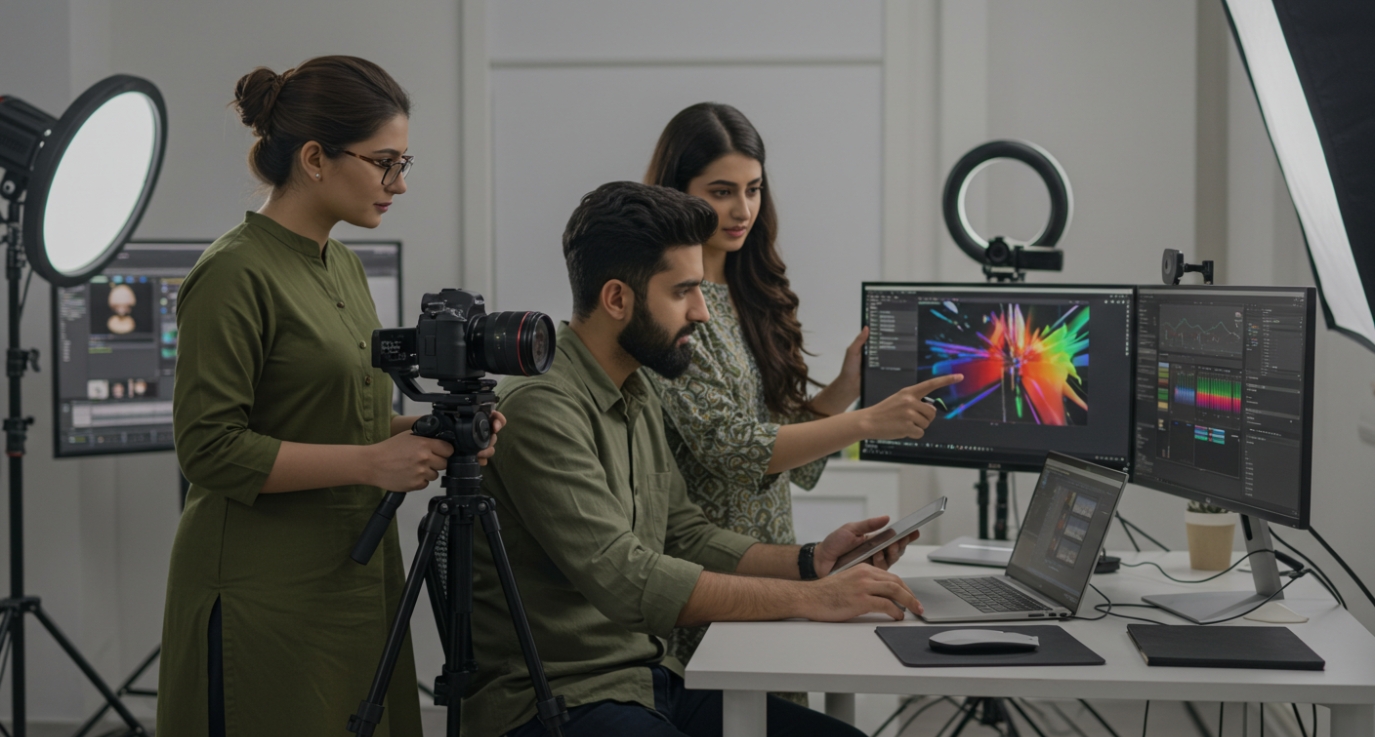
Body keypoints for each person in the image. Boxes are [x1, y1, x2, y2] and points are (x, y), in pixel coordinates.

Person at [468, 181, 959, 737]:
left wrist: (810, 561)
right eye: (683, 292)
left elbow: (684, 533)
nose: (702, 313)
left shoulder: (634, 388)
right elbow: (630, 579)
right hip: (561, 699)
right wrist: (813, 598)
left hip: (649, 681)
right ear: (617, 299)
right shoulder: (540, 408)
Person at [158, 56, 501, 737]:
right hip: (265, 592)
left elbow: (337, 413)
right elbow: (208, 448)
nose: (399, 184)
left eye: (405, 162)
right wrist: (373, 463)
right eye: (384, 163)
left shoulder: (340, 261)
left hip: (350, 575)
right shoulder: (233, 272)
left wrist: (432, 428)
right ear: (314, 157)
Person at [642, 103, 916, 675]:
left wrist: (846, 388)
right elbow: (736, 448)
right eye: (721, 192)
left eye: (753, 189)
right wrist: (866, 422)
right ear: (679, 193)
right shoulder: (668, 307)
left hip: (781, 564)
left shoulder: (750, 292)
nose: (742, 210)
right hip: (709, 577)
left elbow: (788, 451)